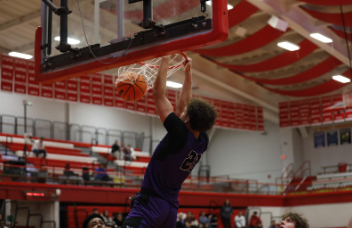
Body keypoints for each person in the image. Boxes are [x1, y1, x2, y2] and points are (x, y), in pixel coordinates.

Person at [121, 56, 217, 228]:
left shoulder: (179, 134)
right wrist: (188, 75)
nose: (183, 111)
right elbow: (185, 106)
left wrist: (165, 58)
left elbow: (158, 94)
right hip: (170, 207)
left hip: (152, 203)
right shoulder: (202, 140)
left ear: (186, 119)